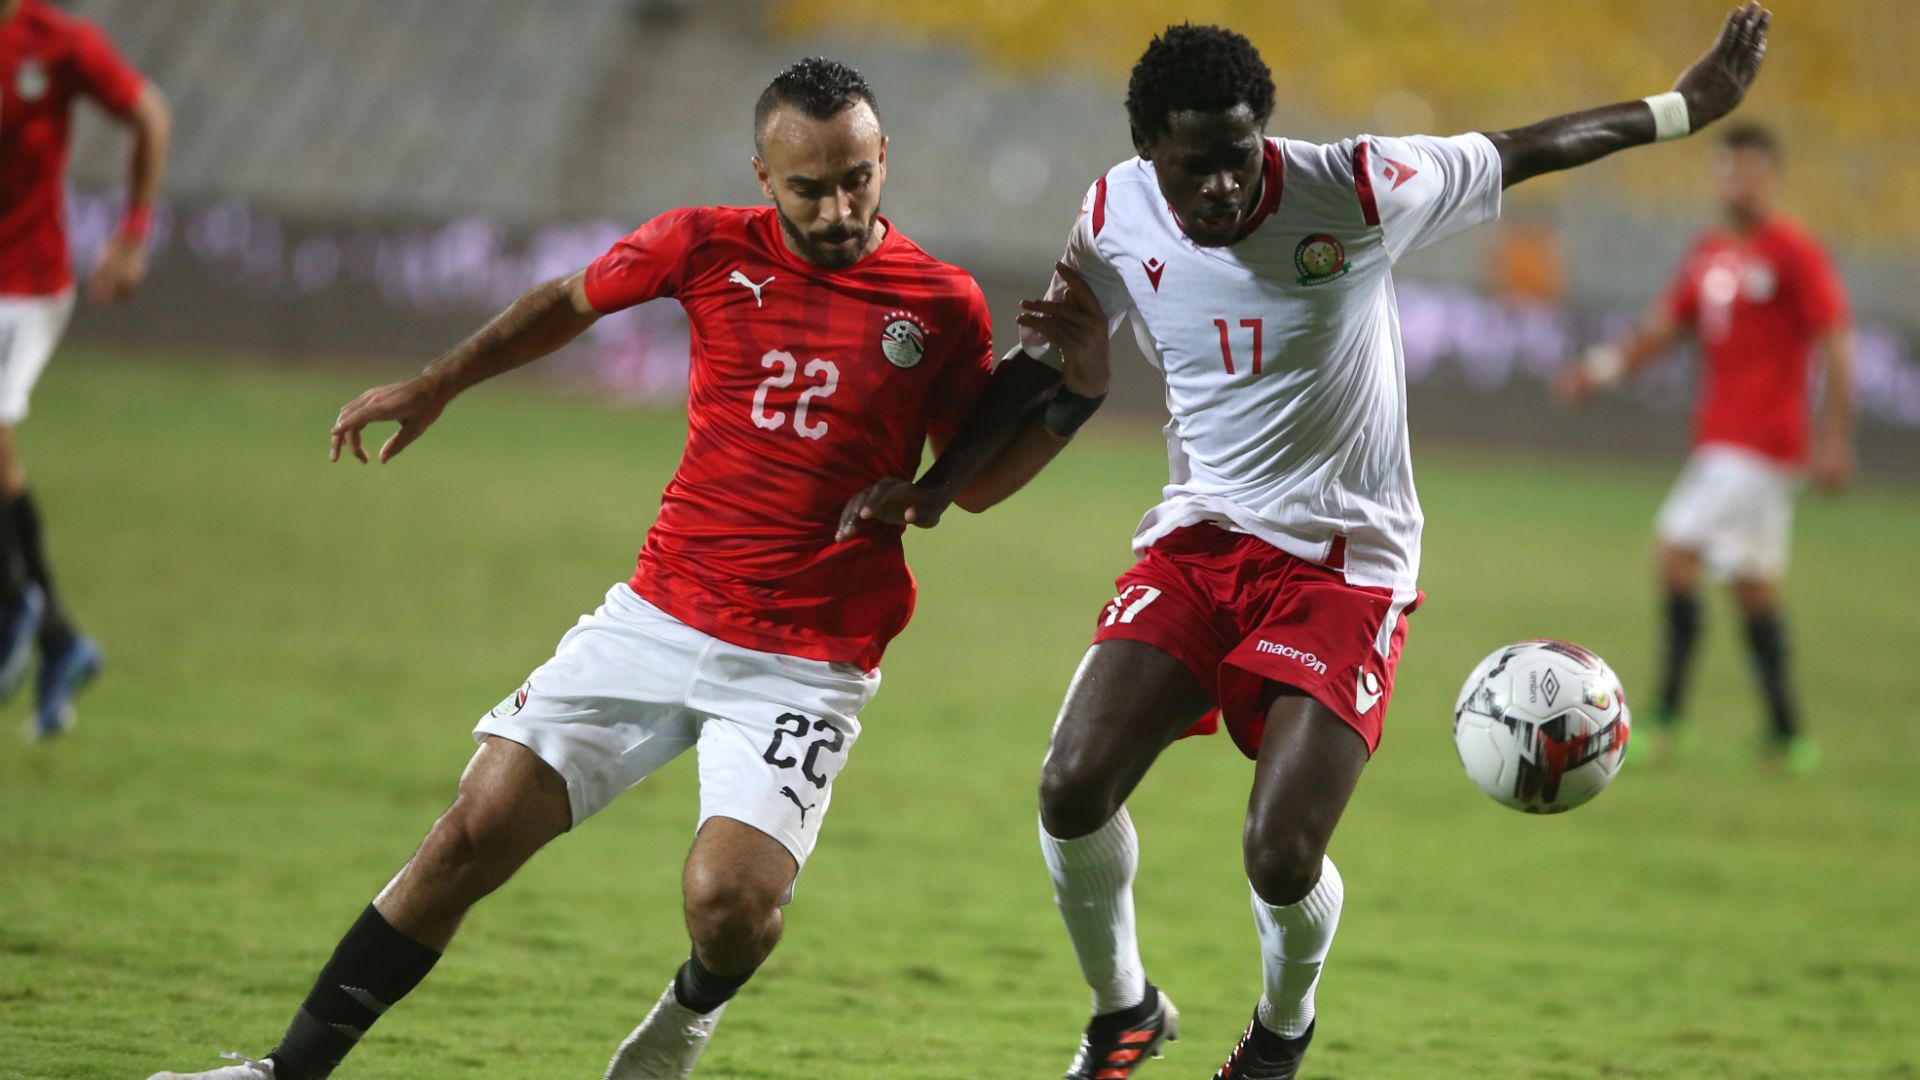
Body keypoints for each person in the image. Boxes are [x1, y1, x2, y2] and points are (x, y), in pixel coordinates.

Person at [839, 6, 1772, 1077]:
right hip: (1199, 540)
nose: (1223, 187)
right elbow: (1048, 355)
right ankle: (1123, 1011)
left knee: (1280, 853)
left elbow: (1523, 149)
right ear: (1151, 154)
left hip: (1347, 564)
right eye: (1197, 169)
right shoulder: (1111, 213)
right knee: (1069, 787)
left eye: (1240, 158)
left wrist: (1683, 107)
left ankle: (1281, 1034)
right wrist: (934, 485)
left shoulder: (1361, 186)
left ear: (1263, 136)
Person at [151, 58, 1021, 1080]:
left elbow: (972, 477)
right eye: (809, 187)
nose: (838, 207)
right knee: (469, 834)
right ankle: (283, 1073)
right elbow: (567, 302)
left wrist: (1055, 401)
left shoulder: (943, 303)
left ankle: (690, 1013)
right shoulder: (701, 245)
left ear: (883, 159)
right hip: (657, 616)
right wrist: (441, 384)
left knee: (730, 907)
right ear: (762, 176)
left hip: (808, 656)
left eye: (857, 180)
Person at [1556, 123, 1848, 773]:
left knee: (1674, 554)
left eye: (1749, 170)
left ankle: (1667, 717)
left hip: (1760, 442)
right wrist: (1598, 371)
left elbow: (1835, 339)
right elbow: (1662, 329)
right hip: (1726, 440)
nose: (1736, 181)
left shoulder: (1792, 252)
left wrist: (1834, 438)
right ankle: (1786, 735)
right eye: (1726, 169)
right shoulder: (1710, 252)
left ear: (1772, 177)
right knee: (1752, 587)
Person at [0, 0, 169, 738]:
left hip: (27, 288)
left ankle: (14, 604)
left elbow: (150, 115)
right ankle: (58, 638)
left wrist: (132, 234)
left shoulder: (54, 41)